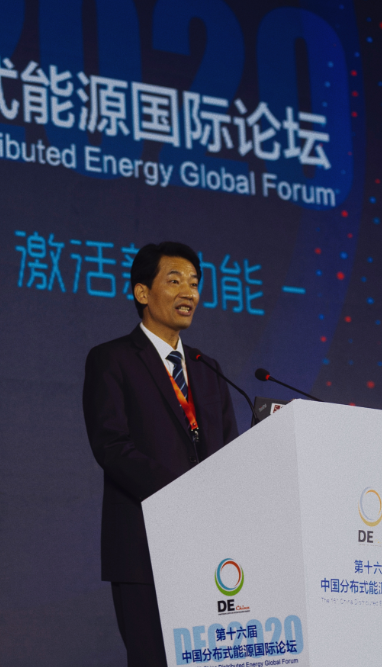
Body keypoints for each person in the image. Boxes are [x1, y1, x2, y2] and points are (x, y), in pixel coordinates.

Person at [82, 241, 239, 667]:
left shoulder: (208, 368)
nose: (189, 292)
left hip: (209, 550)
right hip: (143, 546)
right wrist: (182, 493)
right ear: (142, 292)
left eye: (194, 283)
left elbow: (230, 451)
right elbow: (112, 446)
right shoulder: (111, 359)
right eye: (175, 281)